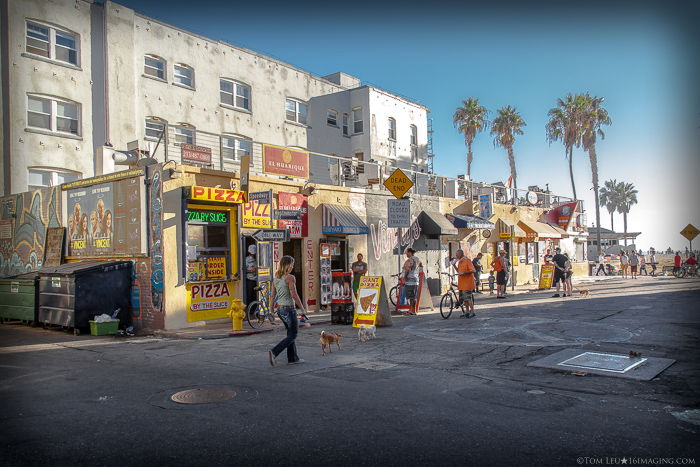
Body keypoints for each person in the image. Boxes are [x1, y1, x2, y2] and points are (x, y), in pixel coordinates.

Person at [268, 256, 307, 366]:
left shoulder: (276, 278)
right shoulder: (290, 278)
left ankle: (293, 358)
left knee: (290, 333)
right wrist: (303, 309)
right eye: (292, 264)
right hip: (289, 309)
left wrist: (271, 310)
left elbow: (272, 296)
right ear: (287, 265)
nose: (292, 266)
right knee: (293, 335)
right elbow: (294, 294)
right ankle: (274, 352)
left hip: (280, 310)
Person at [452, 249, 476, 318]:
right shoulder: (460, 262)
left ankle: (472, 311)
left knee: (468, 298)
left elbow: (473, 270)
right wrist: (454, 265)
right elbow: (458, 271)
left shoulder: (467, 260)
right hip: (462, 283)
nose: (456, 256)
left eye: (457, 255)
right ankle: (467, 311)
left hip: (467, 283)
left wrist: (465, 273)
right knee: (464, 298)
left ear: (460, 254)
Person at [400, 247, 421, 315]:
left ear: (409, 252)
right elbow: (421, 267)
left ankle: (412, 310)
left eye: (406, 252)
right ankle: (412, 310)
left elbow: (408, 269)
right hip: (415, 280)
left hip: (410, 280)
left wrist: (404, 278)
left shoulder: (410, 260)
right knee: (413, 296)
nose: (406, 254)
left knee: (410, 296)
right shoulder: (417, 259)